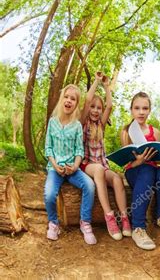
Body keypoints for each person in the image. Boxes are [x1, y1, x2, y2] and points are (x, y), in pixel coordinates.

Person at [120, 92, 160, 250]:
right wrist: (140, 160)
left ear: (149, 110)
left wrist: (156, 157)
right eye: (137, 108)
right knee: (146, 171)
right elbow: (125, 165)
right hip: (135, 171)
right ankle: (138, 227)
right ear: (131, 110)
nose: (141, 112)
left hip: (153, 169)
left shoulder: (155, 132)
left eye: (145, 108)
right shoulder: (126, 132)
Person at [44, 84, 96, 244]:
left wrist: (74, 166)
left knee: (89, 185)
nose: (69, 100)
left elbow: (79, 150)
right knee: (49, 194)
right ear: (61, 100)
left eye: (73, 99)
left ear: (76, 104)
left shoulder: (77, 125)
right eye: (66, 97)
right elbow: (48, 148)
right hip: (55, 168)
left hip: (72, 169)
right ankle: (53, 223)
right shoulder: (52, 122)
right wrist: (55, 165)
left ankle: (85, 222)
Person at [80, 72, 131, 240]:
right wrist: (96, 81)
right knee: (100, 170)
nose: (95, 110)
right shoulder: (83, 122)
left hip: (102, 164)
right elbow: (87, 100)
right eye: (93, 107)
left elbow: (110, 105)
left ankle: (123, 218)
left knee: (117, 178)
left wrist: (107, 86)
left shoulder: (101, 125)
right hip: (87, 165)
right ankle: (109, 216)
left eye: (98, 108)